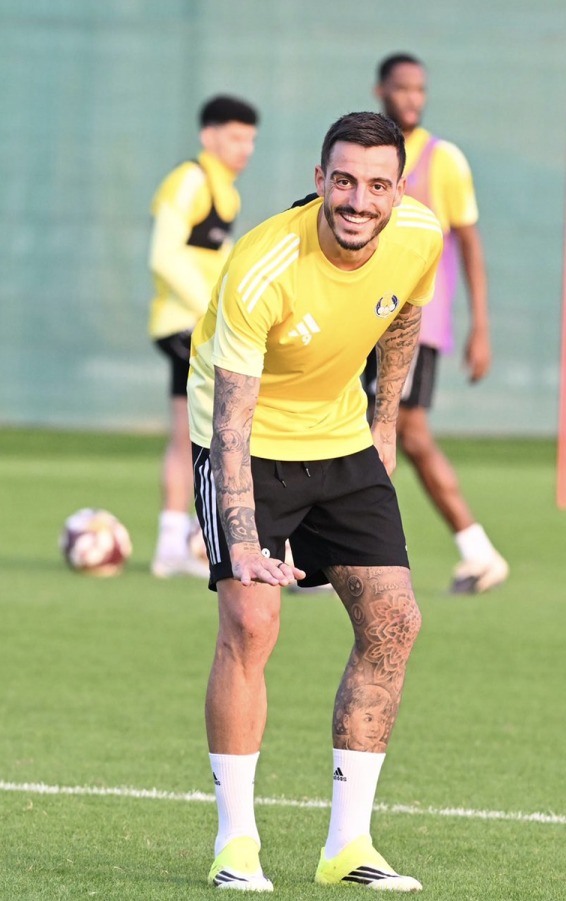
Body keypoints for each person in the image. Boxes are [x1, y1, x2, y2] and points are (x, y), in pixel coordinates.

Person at [187, 111, 442, 891]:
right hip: (246, 445)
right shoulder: (264, 264)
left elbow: (404, 313)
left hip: (340, 440)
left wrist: (385, 425)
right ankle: (237, 844)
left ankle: (348, 845)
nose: (358, 200)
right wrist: (243, 542)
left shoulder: (419, 233)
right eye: (343, 181)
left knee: (395, 621)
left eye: (376, 184)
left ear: (397, 188)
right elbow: (230, 420)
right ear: (319, 178)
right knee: (251, 622)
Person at [367, 51, 507, 595]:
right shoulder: (371, 160)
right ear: (381, 90)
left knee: (411, 433)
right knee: (361, 430)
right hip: (361, 324)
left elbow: (469, 245)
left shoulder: (442, 160)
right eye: (403, 88)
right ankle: (328, 557)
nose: (413, 98)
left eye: (420, 89)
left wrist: (481, 327)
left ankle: (478, 549)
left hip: (414, 325)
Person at [148, 95, 258, 579]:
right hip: (187, 325)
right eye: (235, 136)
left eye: (251, 139)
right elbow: (163, 255)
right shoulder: (190, 180)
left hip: (201, 328)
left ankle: (175, 544)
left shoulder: (226, 191)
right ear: (207, 134)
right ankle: (198, 541)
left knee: (190, 433)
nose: (245, 148)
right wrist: (211, 314)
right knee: (215, 433)